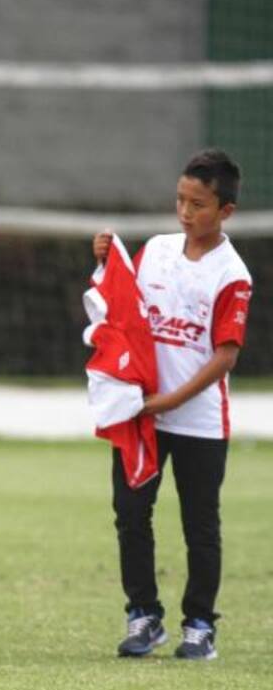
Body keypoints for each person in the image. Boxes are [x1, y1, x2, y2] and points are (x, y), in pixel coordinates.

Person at [93, 148, 251, 661]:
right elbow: (127, 310)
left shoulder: (233, 274)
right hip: (142, 417)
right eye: (181, 200)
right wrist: (107, 261)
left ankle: (200, 625)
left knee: (199, 524)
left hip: (198, 422)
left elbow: (224, 356)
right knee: (131, 513)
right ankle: (143, 616)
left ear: (225, 210)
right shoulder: (157, 251)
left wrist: (170, 399)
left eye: (199, 204)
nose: (186, 212)